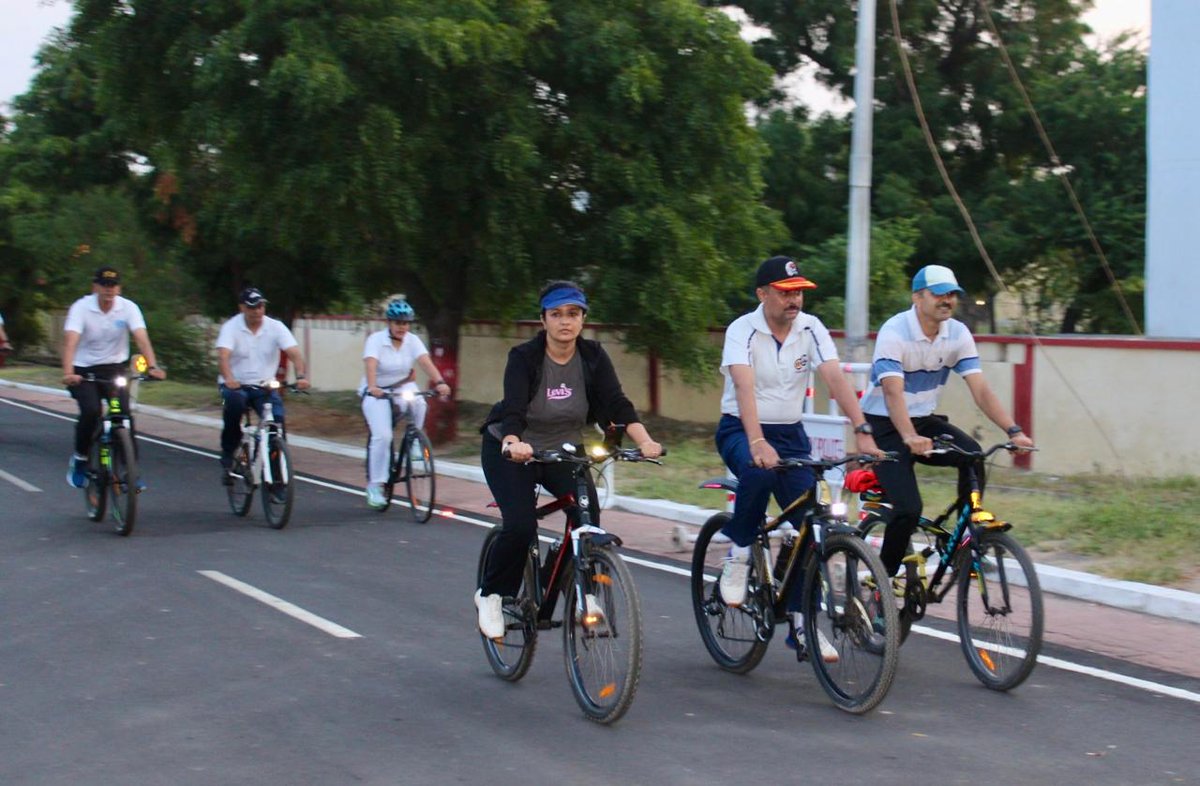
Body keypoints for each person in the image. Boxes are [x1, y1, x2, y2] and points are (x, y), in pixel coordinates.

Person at [474, 281, 663, 640]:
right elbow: (513, 408)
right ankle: (491, 595)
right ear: (542, 320)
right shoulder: (524, 357)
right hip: (512, 450)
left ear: (583, 318)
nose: (565, 322)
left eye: (573, 314)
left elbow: (617, 403)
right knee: (521, 527)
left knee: (587, 518)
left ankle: (586, 597)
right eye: (556, 314)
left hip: (562, 449)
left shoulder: (592, 356)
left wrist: (646, 441)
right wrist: (514, 442)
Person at [716, 255, 881, 663]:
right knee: (759, 473)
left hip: (790, 433)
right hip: (741, 426)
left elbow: (835, 376)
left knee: (812, 523)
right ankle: (738, 552)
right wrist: (756, 440)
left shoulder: (811, 327)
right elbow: (744, 386)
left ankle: (800, 622)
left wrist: (862, 430)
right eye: (786, 292)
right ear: (763, 293)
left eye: (799, 293)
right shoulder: (742, 330)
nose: (795, 301)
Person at [860, 264, 1035, 580]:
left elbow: (980, 389)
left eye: (952, 294)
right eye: (939, 293)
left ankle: (961, 544)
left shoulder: (957, 333)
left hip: (923, 421)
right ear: (917, 296)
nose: (947, 300)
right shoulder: (895, 331)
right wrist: (909, 436)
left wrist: (1014, 430)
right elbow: (892, 392)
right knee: (908, 509)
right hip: (883, 425)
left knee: (973, 455)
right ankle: (883, 580)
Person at [61, 266, 167, 488]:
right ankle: (80, 459)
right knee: (91, 411)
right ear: (95, 287)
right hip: (83, 371)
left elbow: (141, 338)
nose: (109, 290)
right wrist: (68, 372)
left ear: (119, 288)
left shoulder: (128, 308)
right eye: (104, 285)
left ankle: (131, 472)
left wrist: (153, 366)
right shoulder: (81, 308)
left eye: (113, 285)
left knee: (124, 415)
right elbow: (70, 341)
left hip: (114, 370)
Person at [359, 299, 451, 509]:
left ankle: (415, 440)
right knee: (383, 436)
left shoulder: (412, 340)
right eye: (398, 323)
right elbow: (370, 365)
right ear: (389, 323)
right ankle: (375, 485)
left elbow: (426, 362)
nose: (403, 327)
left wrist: (440, 382)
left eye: (406, 323)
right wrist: (373, 387)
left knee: (419, 402)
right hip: (377, 392)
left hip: (402, 387)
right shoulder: (376, 340)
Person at [216, 288, 311, 488]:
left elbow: (294, 353)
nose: (257, 311)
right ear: (242, 308)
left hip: (264, 386)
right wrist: (229, 378)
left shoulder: (275, 327)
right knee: (233, 405)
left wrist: (301, 376)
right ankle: (228, 456)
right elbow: (223, 356)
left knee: (276, 422)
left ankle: (277, 480)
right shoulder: (231, 327)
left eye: (260, 306)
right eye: (251, 307)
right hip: (235, 386)